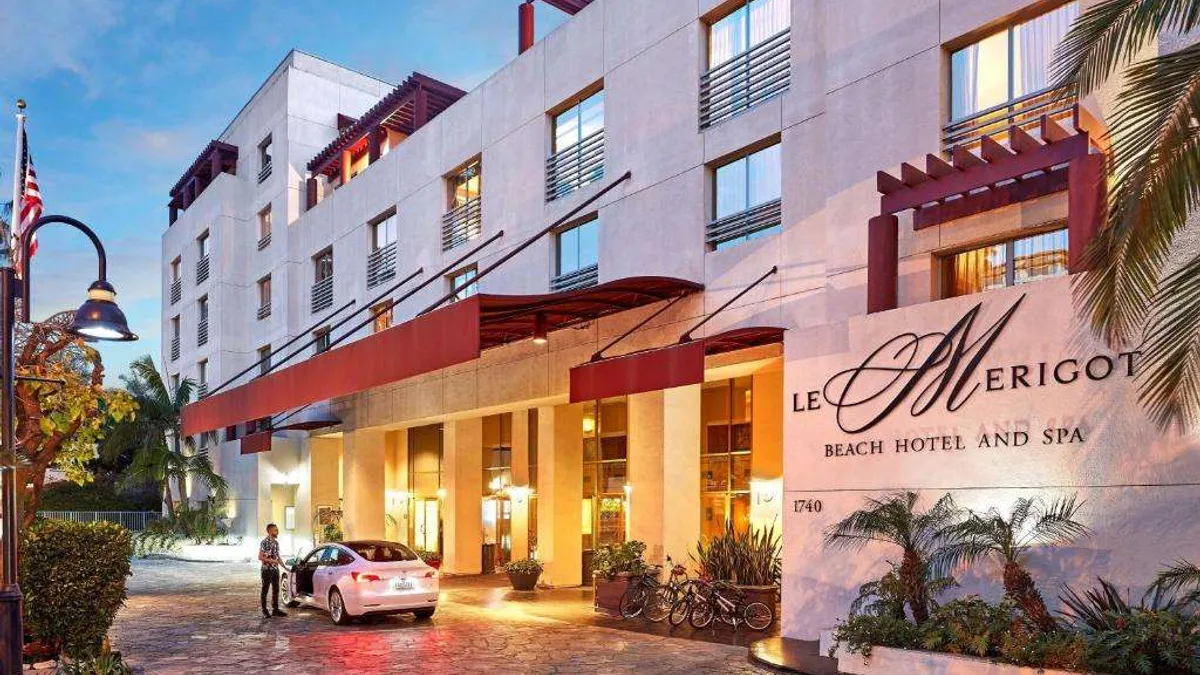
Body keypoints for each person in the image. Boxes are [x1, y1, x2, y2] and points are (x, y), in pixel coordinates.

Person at [258, 523, 288, 618]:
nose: (277, 531)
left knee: (276, 590)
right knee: (265, 590)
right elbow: (260, 557)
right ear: (270, 531)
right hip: (266, 570)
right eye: (275, 530)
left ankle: (275, 610)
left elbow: (277, 557)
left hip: (275, 570)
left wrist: (285, 567)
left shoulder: (276, 543)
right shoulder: (264, 542)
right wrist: (272, 560)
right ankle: (264, 611)